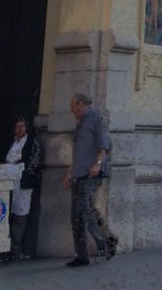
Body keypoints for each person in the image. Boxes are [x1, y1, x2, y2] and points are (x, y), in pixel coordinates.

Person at [63, 93, 118, 267]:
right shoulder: (79, 123)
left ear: (80, 104)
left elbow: (103, 147)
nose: (71, 110)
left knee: (83, 210)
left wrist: (98, 165)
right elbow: (78, 153)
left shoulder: (95, 118)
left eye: (73, 106)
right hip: (78, 174)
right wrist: (69, 173)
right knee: (75, 215)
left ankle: (105, 242)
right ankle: (82, 256)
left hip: (91, 173)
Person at [5, 116, 43, 259]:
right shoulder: (12, 143)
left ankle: (17, 248)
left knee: (21, 215)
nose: (20, 129)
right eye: (17, 126)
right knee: (11, 214)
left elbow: (35, 162)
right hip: (11, 182)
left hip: (24, 183)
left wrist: (24, 172)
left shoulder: (31, 143)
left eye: (22, 126)